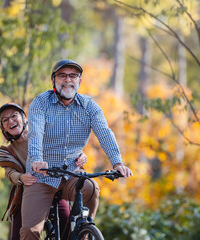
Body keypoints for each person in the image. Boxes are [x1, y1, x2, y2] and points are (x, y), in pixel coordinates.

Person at [21, 59, 133, 239]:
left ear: (79, 81)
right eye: (62, 75)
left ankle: (81, 232)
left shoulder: (89, 106)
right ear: (53, 81)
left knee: (92, 188)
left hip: (72, 173)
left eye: (73, 76)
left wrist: (117, 163)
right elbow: (35, 134)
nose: (68, 80)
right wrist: (36, 160)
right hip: (42, 175)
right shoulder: (41, 103)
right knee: (30, 231)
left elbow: (104, 133)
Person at [0, 103, 88, 240]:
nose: (11, 121)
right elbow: (9, 173)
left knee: (68, 229)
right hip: (28, 192)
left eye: (14, 116)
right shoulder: (6, 150)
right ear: (3, 128)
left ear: (24, 118)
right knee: (21, 234)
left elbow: (65, 149)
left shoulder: (43, 134)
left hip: (54, 186)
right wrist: (21, 177)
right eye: (5, 120)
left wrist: (81, 156)